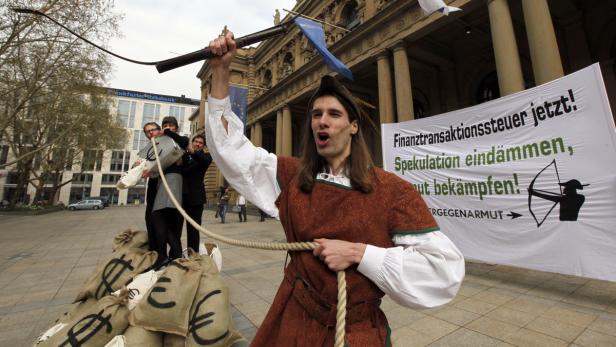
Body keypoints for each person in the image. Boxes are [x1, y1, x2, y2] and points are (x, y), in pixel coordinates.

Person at [205, 32, 464, 346]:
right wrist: (221, 71)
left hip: (354, 333)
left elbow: (443, 271)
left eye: (334, 114)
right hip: (291, 320)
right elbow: (231, 150)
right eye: (316, 115)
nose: (321, 122)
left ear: (353, 126)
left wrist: (359, 253)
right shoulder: (290, 177)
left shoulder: (393, 191)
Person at [150, 116, 189, 268]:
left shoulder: (179, 139)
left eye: (171, 125)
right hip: (161, 181)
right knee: (161, 220)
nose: (167, 127)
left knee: (159, 215)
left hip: (174, 180)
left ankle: (172, 255)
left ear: (176, 128)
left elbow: (185, 143)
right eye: (165, 125)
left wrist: (168, 133)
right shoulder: (159, 143)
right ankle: (170, 255)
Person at [181, 133, 212, 252]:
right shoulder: (184, 155)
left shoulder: (206, 157)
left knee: (193, 229)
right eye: (196, 141)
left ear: (203, 146)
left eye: (200, 143)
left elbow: (203, 161)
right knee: (175, 227)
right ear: (192, 142)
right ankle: (176, 254)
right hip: (181, 197)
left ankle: (193, 254)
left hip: (196, 199)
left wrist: (193, 152)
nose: (198, 144)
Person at [141, 121, 162, 251]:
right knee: (150, 218)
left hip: (165, 187)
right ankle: (153, 251)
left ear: (159, 130)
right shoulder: (148, 149)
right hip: (153, 187)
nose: (150, 133)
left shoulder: (166, 143)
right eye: (148, 132)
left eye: (153, 130)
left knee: (162, 222)